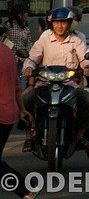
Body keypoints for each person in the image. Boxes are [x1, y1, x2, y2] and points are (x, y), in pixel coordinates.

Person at [21, 7, 89, 158]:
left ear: (69, 24)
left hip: (69, 85)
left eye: (63, 22)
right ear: (51, 23)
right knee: (25, 99)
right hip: (44, 84)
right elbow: (32, 58)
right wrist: (28, 67)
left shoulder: (76, 40)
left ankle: (80, 137)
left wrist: (87, 67)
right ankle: (29, 135)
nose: (60, 26)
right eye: (57, 22)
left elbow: (86, 58)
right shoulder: (44, 40)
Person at [0, 27, 30, 198]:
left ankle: (24, 189)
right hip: (9, 113)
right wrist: (22, 110)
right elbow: (16, 86)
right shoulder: (8, 53)